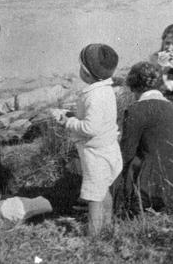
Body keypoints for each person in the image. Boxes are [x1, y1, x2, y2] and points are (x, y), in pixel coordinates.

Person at [49, 44, 122, 236]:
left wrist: (68, 122)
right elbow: (98, 119)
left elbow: (90, 128)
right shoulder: (106, 90)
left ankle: (93, 236)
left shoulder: (92, 95)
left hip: (95, 154)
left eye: (81, 66)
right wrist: (74, 115)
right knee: (103, 190)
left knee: (94, 197)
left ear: (86, 72)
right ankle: (107, 227)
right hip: (109, 148)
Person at [115, 62, 173, 215]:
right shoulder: (172, 107)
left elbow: (125, 154)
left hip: (156, 185)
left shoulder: (136, 110)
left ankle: (123, 208)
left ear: (133, 86)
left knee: (125, 164)